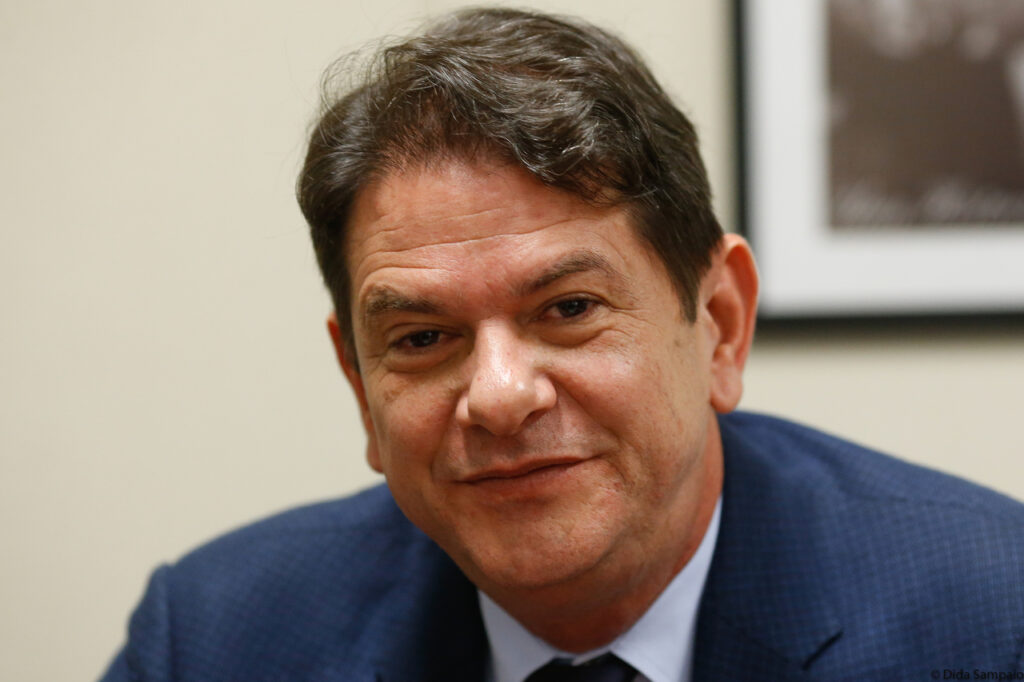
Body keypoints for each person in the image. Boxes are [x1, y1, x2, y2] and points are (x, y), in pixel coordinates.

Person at [100, 8, 1024, 682]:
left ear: (719, 324)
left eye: (569, 308)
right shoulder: (213, 640)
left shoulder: (995, 616)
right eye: (422, 337)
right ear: (358, 383)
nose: (500, 396)